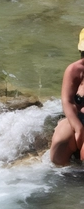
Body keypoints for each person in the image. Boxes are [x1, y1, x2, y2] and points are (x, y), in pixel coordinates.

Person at [50, 28, 84, 166]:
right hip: (77, 117)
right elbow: (67, 101)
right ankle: (69, 178)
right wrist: (78, 127)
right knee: (57, 153)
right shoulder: (74, 70)